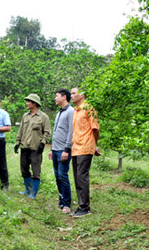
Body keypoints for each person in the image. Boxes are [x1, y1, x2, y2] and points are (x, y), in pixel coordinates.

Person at [14, 94, 51, 199]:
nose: (26, 103)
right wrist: (17, 143)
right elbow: (21, 130)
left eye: (28, 101)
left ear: (34, 103)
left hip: (36, 149)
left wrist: (43, 143)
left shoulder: (43, 117)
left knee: (36, 172)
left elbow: (47, 132)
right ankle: (28, 190)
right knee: (24, 170)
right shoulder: (25, 116)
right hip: (24, 147)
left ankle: (33, 193)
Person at [70, 87, 99, 217]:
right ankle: (81, 205)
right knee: (77, 177)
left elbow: (95, 129)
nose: (71, 96)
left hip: (85, 147)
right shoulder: (76, 110)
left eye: (73, 93)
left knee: (82, 176)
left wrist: (94, 144)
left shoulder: (89, 108)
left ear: (81, 95)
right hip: (75, 148)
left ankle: (85, 207)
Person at [48, 88, 75, 213]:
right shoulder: (59, 112)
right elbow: (56, 132)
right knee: (57, 176)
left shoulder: (70, 111)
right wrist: (52, 149)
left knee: (63, 176)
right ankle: (61, 199)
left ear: (64, 97)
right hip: (56, 149)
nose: (55, 98)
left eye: (57, 96)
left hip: (63, 150)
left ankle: (67, 204)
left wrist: (67, 149)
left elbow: (71, 131)